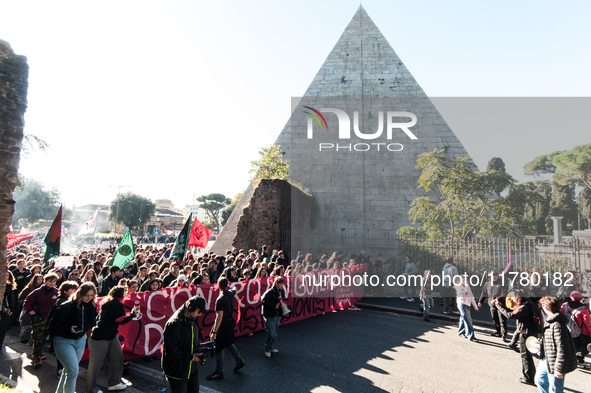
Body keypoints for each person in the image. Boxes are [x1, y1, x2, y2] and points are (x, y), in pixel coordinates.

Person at [86, 286, 138, 393]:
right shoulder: (117, 304)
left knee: (117, 357)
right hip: (101, 337)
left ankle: (114, 382)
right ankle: (91, 389)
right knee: (96, 364)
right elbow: (122, 320)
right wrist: (133, 314)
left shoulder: (107, 302)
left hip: (109, 335)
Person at [50, 283, 98, 393]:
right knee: (73, 371)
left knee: (69, 371)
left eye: (91, 295)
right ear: (80, 293)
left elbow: (92, 323)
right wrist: (68, 329)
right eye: (86, 295)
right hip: (63, 340)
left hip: (80, 340)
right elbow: (52, 327)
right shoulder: (66, 306)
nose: (88, 298)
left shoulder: (91, 306)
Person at [162, 296, 206, 393]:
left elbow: (194, 339)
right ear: (191, 308)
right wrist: (191, 357)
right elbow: (171, 352)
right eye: (199, 311)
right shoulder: (174, 324)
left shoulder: (193, 317)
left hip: (191, 368)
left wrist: (201, 350)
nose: (200, 314)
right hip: (177, 371)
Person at [493, 289, 537, 385]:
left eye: (512, 297)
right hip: (528, 332)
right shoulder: (527, 304)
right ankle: (530, 375)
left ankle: (528, 378)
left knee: (525, 356)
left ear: (517, 297)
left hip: (526, 333)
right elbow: (512, 311)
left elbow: (510, 315)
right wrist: (500, 305)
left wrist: (497, 305)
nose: (511, 299)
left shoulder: (523, 308)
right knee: (527, 356)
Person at [535, 296, 578, 393]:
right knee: (539, 380)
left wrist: (559, 369)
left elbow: (563, 349)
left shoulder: (558, 325)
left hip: (556, 362)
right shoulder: (550, 320)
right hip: (547, 358)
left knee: (555, 389)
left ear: (546, 308)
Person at [207, 278, 245, 380]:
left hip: (222, 325)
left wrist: (214, 331)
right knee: (228, 342)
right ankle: (239, 360)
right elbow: (235, 289)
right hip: (230, 321)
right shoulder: (230, 294)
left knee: (219, 346)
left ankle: (219, 371)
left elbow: (219, 317)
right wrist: (233, 287)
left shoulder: (220, 299)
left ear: (218, 285)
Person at [23, 272, 59, 367]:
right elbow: (27, 302)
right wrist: (32, 313)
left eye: (54, 281)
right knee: (37, 338)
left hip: (50, 319)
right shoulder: (38, 291)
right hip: (39, 318)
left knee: (44, 338)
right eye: (50, 281)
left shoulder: (56, 292)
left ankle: (39, 353)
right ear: (45, 281)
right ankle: (36, 356)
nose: (52, 283)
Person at [560, 291, 591, 368]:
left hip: (569, 329)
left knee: (575, 346)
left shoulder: (565, 306)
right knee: (585, 346)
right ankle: (578, 358)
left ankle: (579, 361)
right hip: (583, 332)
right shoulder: (584, 309)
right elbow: (588, 323)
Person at [478, 270, 508, 341]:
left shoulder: (502, 284)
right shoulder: (487, 284)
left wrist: (497, 299)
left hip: (500, 304)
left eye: (495, 275)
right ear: (490, 277)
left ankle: (504, 334)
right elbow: (484, 293)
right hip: (492, 304)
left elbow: (504, 294)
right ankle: (498, 332)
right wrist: (480, 301)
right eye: (492, 276)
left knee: (502, 319)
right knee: (495, 318)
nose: (494, 277)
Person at [261, 276, 286, 357]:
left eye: (282, 284)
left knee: (275, 333)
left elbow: (282, 302)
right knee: (271, 332)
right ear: (276, 283)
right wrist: (273, 306)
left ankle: (271, 347)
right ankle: (267, 348)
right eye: (280, 284)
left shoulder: (281, 291)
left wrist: (281, 314)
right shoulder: (269, 292)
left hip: (276, 314)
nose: (281, 285)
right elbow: (263, 301)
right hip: (269, 314)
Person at [455, 275, 479, 342]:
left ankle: (461, 332)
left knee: (463, 318)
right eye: (464, 280)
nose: (466, 281)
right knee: (468, 320)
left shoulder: (468, 287)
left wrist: (475, 307)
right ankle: (471, 336)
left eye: (467, 280)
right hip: (461, 304)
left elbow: (471, 297)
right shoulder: (459, 286)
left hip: (467, 304)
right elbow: (462, 295)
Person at [0, 271, 15, 349]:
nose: (6, 277)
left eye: (7, 275)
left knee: (2, 326)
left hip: (4, 307)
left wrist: (10, 308)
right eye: (5, 275)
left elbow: (10, 298)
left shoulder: (8, 286)